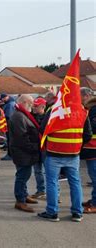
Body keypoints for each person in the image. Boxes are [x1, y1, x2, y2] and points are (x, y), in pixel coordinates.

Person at [37, 92, 92, 222]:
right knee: (75, 183)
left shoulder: (54, 110)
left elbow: (42, 129)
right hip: (73, 154)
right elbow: (88, 134)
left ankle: (52, 212)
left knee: (52, 182)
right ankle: (77, 213)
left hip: (54, 152)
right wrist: (76, 145)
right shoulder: (82, 111)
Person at [9, 95, 41, 213]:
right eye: (31, 103)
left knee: (24, 175)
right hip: (22, 151)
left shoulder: (22, 114)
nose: (32, 106)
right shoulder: (18, 116)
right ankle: (20, 200)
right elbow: (21, 137)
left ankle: (24, 195)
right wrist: (34, 148)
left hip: (24, 151)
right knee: (22, 176)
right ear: (24, 102)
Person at [80, 87, 96, 213]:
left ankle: (95, 204)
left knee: (95, 177)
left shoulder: (93, 109)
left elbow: (91, 128)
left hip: (93, 148)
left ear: (86, 96)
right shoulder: (90, 108)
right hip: (91, 149)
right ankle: (94, 199)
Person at [29, 97, 47, 200]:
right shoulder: (31, 116)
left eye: (36, 106)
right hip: (35, 147)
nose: (34, 108)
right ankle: (41, 190)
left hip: (45, 148)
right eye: (33, 106)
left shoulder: (48, 117)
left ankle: (54, 194)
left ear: (43, 107)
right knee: (37, 171)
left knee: (49, 172)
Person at [1, 94, 16, 161]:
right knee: (10, 140)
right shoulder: (11, 103)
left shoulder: (10, 104)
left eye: (3, 98)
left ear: (6, 97)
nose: (2, 100)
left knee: (10, 140)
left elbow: (8, 116)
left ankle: (10, 155)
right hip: (11, 124)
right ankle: (11, 154)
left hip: (9, 124)